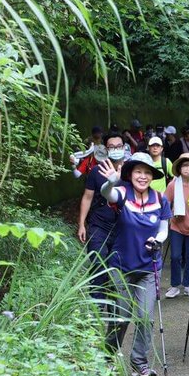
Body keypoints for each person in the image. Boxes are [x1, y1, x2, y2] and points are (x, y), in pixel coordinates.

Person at [97, 152, 173, 376]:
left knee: (146, 318)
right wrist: (111, 180)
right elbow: (107, 193)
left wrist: (158, 241)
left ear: (152, 176)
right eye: (138, 171)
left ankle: (139, 362)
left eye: (147, 172)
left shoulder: (160, 199)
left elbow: (163, 229)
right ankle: (107, 356)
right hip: (121, 266)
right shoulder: (122, 193)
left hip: (149, 267)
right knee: (121, 316)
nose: (143, 176)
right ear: (130, 174)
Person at [76, 132, 126, 310]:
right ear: (105, 149)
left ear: (124, 148)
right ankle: (97, 305)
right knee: (98, 261)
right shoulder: (96, 171)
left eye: (118, 146)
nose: (115, 150)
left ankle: (114, 304)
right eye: (111, 147)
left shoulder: (131, 172)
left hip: (122, 227)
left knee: (116, 266)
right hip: (98, 224)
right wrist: (82, 224)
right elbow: (87, 197)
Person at [163, 153, 189, 298]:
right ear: (180, 169)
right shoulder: (173, 184)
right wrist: (167, 216)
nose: (188, 169)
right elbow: (165, 202)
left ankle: (187, 284)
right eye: (185, 166)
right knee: (175, 257)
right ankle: (174, 285)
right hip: (176, 226)